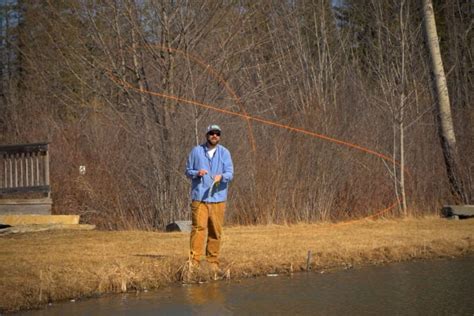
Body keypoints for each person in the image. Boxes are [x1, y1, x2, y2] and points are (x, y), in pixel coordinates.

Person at [185, 124, 234, 271]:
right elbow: (187, 171)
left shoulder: (225, 153)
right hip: (199, 198)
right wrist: (196, 173)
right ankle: (194, 262)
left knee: (215, 231)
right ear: (207, 135)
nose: (214, 136)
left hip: (218, 198)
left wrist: (222, 177)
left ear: (219, 136)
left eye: (217, 134)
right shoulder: (196, 151)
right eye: (212, 133)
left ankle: (212, 262)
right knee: (198, 229)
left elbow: (230, 173)